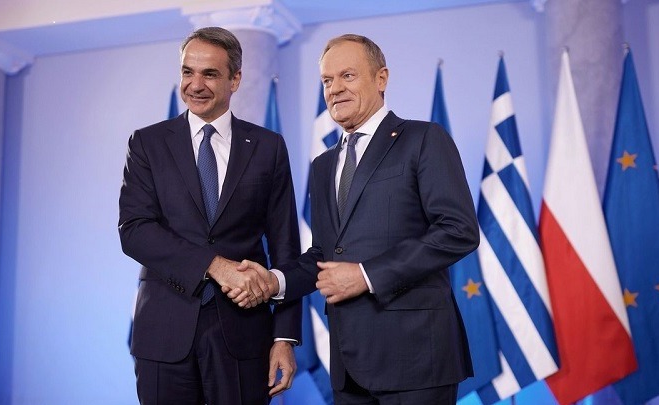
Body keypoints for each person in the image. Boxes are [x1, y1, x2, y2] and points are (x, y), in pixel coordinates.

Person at [228, 34, 479, 404]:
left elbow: (458, 230)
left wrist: (365, 275)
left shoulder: (423, 138)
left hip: (416, 359)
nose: (334, 89)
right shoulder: (323, 164)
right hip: (348, 365)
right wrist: (274, 281)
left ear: (381, 78)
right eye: (327, 80)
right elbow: (325, 255)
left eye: (347, 76)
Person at [118, 26, 301, 404]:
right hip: (164, 330)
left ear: (235, 79)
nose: (195, 85)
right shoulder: (147, 143)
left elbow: (286, 246)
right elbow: (135, 231)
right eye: (188, 72)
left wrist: (284, 337)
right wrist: (215, 266)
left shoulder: (268, 147)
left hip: (245, 334)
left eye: (210, 74)